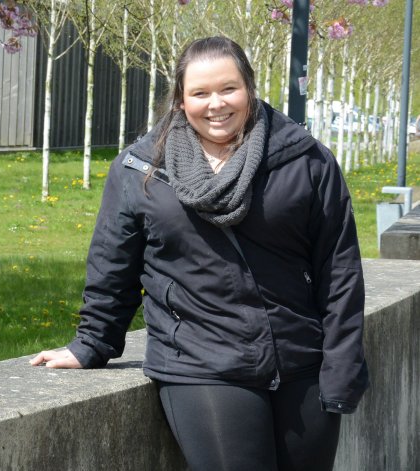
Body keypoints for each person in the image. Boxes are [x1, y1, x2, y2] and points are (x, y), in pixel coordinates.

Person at [30, 36, 368, 471]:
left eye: (229, 89)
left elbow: (338, 270)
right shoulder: (142, 168)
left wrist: (342, 368)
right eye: (200, 93)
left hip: (300, 362)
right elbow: (114, 263)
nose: (216, 104)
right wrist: (92, 342)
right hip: (202, 363)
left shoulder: (305, 160)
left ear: (250, 87)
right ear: (180, 98)